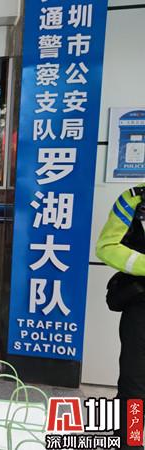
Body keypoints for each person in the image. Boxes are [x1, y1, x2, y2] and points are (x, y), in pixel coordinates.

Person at [97, 184, 145, 450]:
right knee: (134, 383)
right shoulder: (134, 199)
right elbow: (106, 247)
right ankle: (130, 441)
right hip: (141, 305)